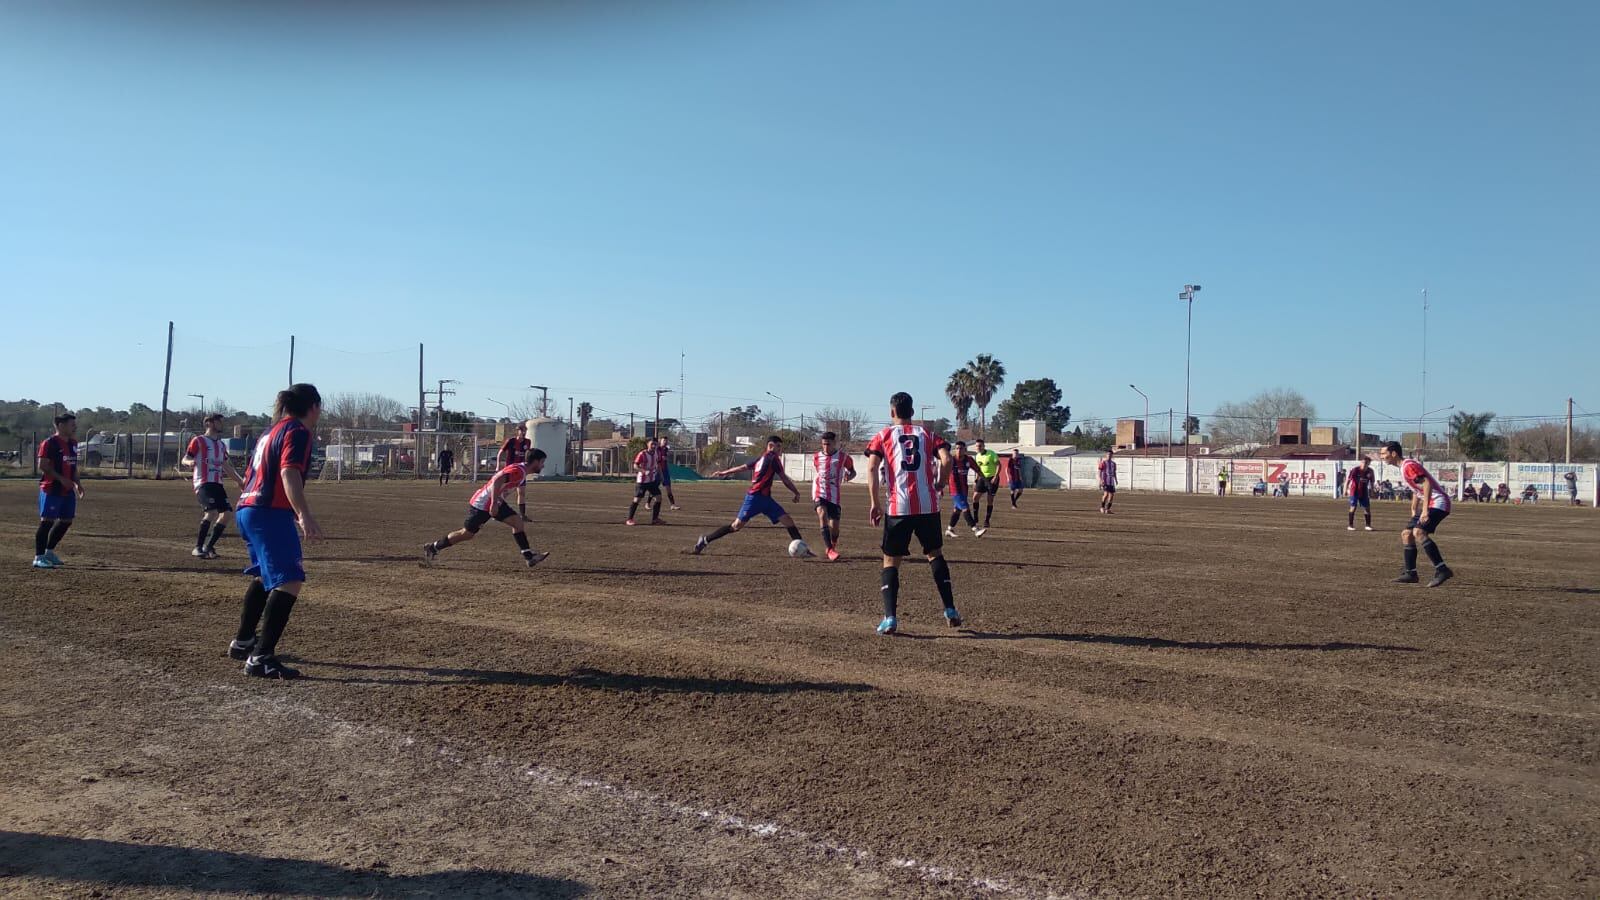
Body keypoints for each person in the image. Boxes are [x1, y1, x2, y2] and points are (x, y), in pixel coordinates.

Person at [229, 384, 325, 679]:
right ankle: (261, 657)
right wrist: (303, 513)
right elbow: (288, 472)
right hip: (267, 512)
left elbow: (253, 475)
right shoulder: (297, 431)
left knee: (264, 575)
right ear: (313, 407)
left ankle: (244, 640)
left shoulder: (269, 432)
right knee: (290, 579)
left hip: (248, 508)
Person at [865, 392, 962, 635]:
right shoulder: (927, 434)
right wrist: (940, 483)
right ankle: (950, 609)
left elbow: (872, 467)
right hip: (928, 505)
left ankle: (890, 618)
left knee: (891, 561)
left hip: (899, 506)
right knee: (935, 554)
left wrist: (875, 502)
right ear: (912, 412)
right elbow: (947, 459)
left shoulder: (883, 435)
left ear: (892, 412)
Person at [423, 448, 550, 568]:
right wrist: (494, 503)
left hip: (495, 501)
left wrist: (499, 500)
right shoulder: (518, 471)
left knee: (517, 523)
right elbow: (497, 481)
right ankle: (433, 547)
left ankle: (529, 557)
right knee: (467, 534)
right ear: (535, 462)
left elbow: (502, 485)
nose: (543, 466)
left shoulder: (521, 470)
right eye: (542, 462)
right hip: (483, 504)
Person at [691, 436, 814, 557]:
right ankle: (705, 540)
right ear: (771, 446)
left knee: (788, 520)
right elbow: (784, 479)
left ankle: (804, 550)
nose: (780, 450)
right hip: (754, 498)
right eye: (779, 447)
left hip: (766, 499)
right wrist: (796, 492)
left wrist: (724, 472)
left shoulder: (761, 458)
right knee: (735, 526)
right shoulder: (773, 459)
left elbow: (742, 467)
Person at [1381, 441, 1454, 587]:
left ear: (1394, 453)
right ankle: (1411, 573)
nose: (1381, 456)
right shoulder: (1404, 467)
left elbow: (1426, 484)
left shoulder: (1408, 466)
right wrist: (1414, 507)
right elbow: (1417, 488)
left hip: (1438, 502)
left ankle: (1442, 570)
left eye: (1384, 453)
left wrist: (1425, 509)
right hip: (1430, 502)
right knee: (1406, 534)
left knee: (1419, 532)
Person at [180, 413, 246, 559]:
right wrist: (189, 463)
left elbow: (226, 466)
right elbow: (186, 458)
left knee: (227, 514)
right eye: (219, 422)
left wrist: (240, 481)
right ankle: (197, 547)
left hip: (217, 483)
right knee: (211, 512)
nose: (222, 424)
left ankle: (208, 546)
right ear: (209, 423)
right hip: (203, 482)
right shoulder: (198, 441)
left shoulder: (221, 445)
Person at [32, 413, 82, 569]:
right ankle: (38, 557)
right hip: (51, 489)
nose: (75, 427)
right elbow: (43, 466)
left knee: (66, 520)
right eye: (71, 424)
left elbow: (73, 467)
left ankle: (49, 552)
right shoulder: (49, 443)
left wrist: (78, 484)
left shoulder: (73, 443)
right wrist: (61, 479)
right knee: (47, 521)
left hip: (67, 490)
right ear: (60, 425)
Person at [811, 431, 856, 561]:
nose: (825, 447)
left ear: (834, 443)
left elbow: (853, 471)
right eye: (823, 444)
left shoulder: (843, 457)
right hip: (819, 491)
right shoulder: (816, 457)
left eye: (828, 444)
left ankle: (832, 546)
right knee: (822, 514)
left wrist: (849, 476)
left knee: (835, 528)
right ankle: (829, 549)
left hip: (834, 495)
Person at [942, 441, 983, 538]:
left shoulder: (968, 460)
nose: (958, 450)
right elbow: (942, 470)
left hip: (964, 488)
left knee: (957, 510)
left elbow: (978, 470)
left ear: (965, 450)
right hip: (954, 489)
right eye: (957, 448)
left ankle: (949, 529)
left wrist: (985, 481)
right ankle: (975, 529)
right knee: (965, 507)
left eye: (961, 448)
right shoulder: (951, 460)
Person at [626, 439, 664, 526]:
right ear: (647, 445)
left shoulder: (656, 453)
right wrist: (643, 471)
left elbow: (658, 465)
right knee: (637, 500)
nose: (654, 446)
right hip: (642, 481)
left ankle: (655, 519)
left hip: (652, 481)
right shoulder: (642, 454)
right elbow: (635, 465)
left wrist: (661, 475)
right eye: (652, 444)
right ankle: (629, 519)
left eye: (655, 444)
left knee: (658, 497)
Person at [498, 424, 533, 518]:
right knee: (505, 492)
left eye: (525, 430)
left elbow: (528, 455)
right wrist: (498, 466)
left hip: (521, 471)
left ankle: (522, 515)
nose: (524, 432)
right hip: (511, 470)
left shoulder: (527, 442)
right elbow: (500, 452)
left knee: (521, 492)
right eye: (522, 431)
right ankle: (495, 510)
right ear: (517, 431)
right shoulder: (511, 441)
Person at [971, 439, 1001, 529]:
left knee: (990, 500)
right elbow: (978, 469)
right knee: (975, 498)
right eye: (977, 446)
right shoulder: (977, 456)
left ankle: (987, 521)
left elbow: (999, 465)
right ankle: (975, 518)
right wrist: (976, 480)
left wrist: (996, 476)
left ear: (984, 446)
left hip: (992, 479)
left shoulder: (991, 454)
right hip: (982, 478)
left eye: (980, 446)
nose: (978, 447)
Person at [1346, 455, 1375, 531]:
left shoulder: (1370, 471)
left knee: (1367, 508)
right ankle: (1350, 525)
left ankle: (1368, 525)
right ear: (1361, 462)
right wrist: (1345, 490)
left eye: (1367, 463)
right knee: (1353, 507)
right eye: (1364, 463)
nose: (1365, 464)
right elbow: (1348, 480)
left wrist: (1372, 491)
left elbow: (1372, 482)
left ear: (1369, 464)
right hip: (1354, 491)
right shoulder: (1355, 470)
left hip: (1364, 492)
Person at [655, 438, 681, 511]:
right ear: (660, 441)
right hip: (657, 471)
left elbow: (665, 458)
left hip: (665, 471)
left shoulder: (666, 449)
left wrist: (665, 458)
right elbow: (657, 460)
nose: (666, 442)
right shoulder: (657, 449)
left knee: (668, 488)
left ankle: (672, 505)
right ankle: (647, 503)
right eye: (664, 440)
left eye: (666, 441)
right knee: (654, 488)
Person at [1097, 449, 1117, 513]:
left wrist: (1116, 479)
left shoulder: (1113, 464)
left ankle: (1107, 509)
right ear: (1106, 455)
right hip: (1105, 481)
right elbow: (1099, 472)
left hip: (1111, 482)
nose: (1109, 455)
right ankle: (1102, 507)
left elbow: (1114, 472)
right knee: (1106, 494)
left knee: (1111, 496)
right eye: (1108, 454)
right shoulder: (1103, 462)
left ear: (1112, 455)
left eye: (1110, 454)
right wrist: (1101, 480)